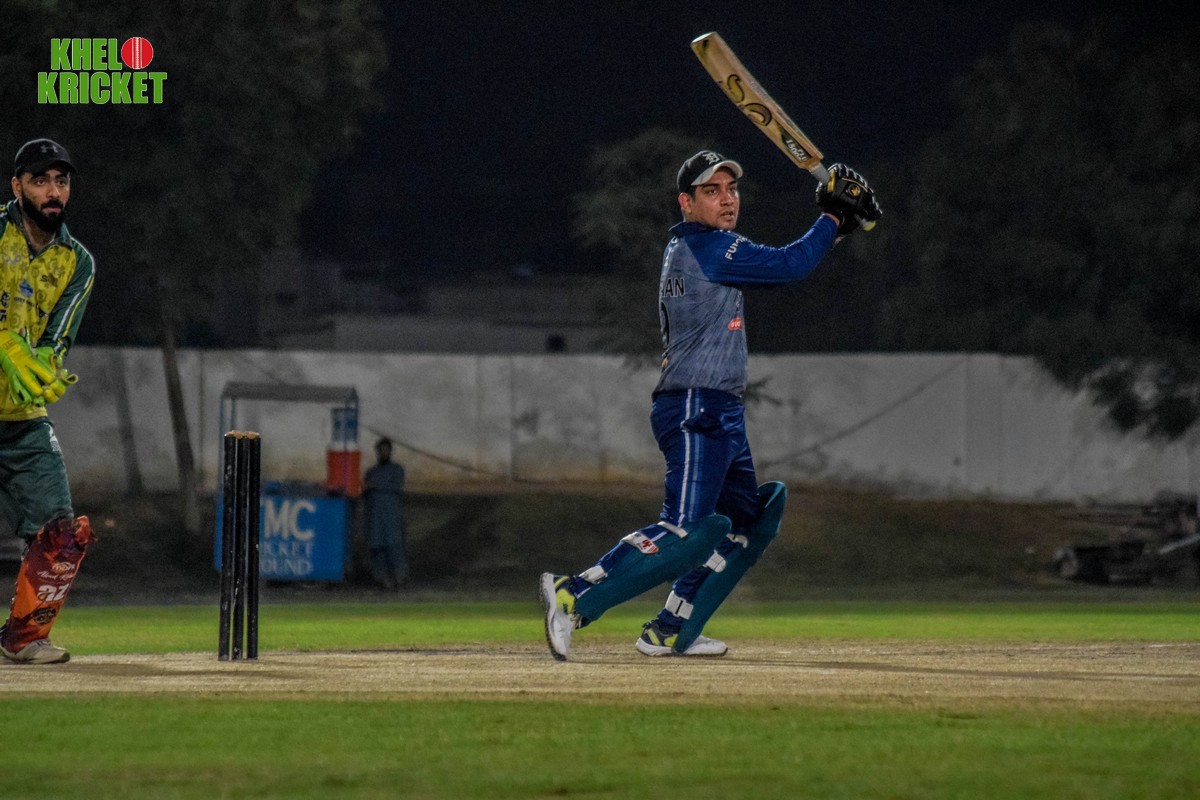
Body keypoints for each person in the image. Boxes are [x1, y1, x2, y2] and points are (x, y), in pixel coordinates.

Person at [540, 150, 880, 660]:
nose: (727, 199)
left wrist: (841, 226)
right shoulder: (708, 246)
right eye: (712, 191)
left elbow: (786, 263)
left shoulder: (699, 248)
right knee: (686, 531)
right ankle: (573, 595)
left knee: (750, 519)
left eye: (732, 189)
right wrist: (832, 216)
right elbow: (788, 265)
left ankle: (671, 628)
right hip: (695, 406)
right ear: (686, 203)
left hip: (717, 407)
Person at [0, 137, 96, 665]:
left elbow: (57, 337)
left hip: (22, 417)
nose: (53, 191)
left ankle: (22, 637)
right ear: (17, 187)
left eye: (61, 181)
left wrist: (46, 367)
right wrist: (4, 343)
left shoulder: (77, 262)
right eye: (40, 180)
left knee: (60, 533)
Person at [362, 437, 409, 590]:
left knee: (394, 546)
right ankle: (383, 579)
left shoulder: (397, 469)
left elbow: (396, 486)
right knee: (377, 547)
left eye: (385, 450)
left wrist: (375, 485)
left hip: (391, 516)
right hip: (375, 516)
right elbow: (365, 492)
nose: (383, 453)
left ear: (390, 451)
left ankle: (399, 577)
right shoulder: (371, 472)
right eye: (380, 450)